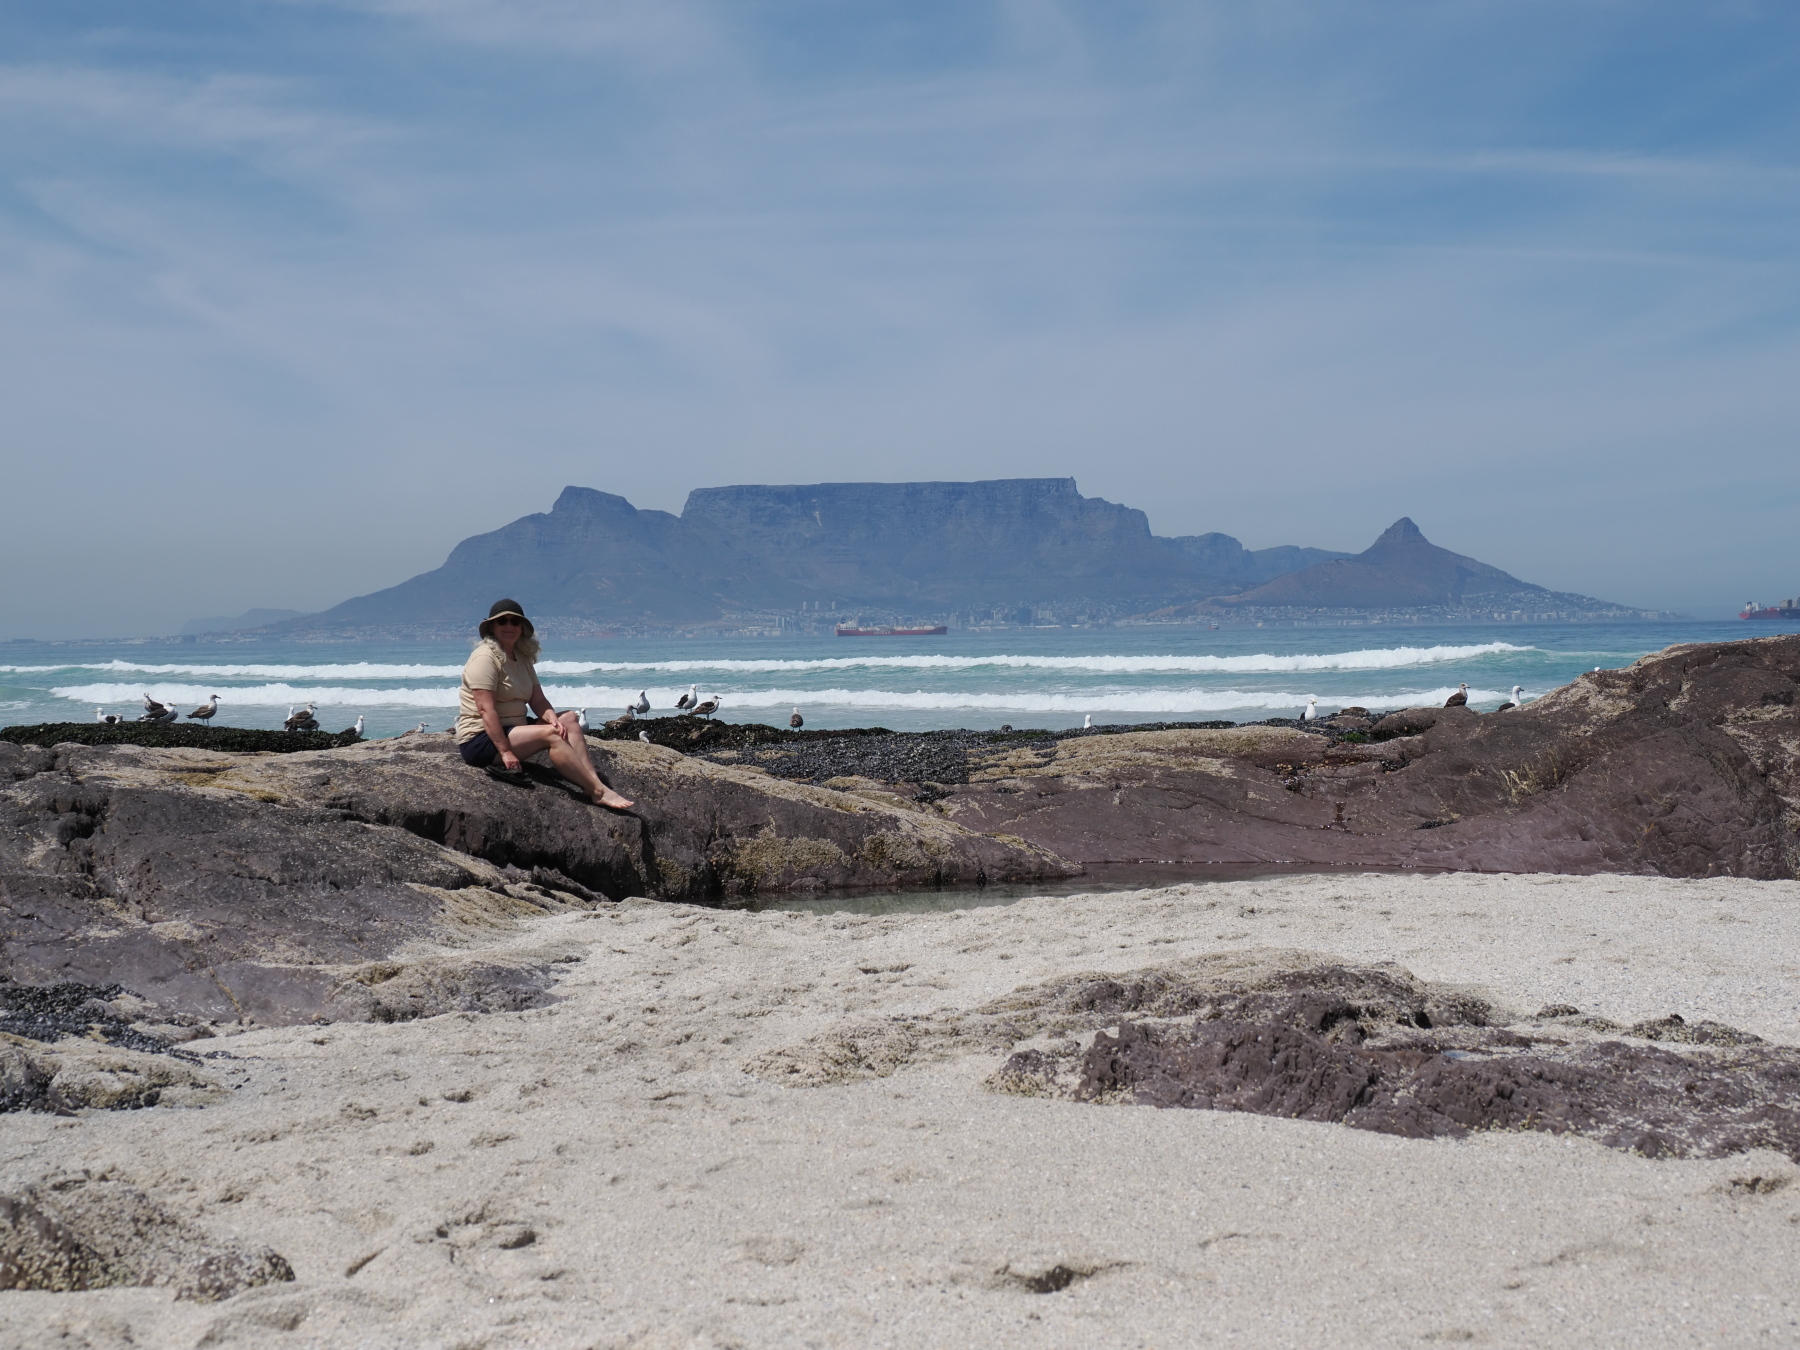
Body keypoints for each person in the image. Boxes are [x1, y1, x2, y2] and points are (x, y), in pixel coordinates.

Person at [454, 599, 634, 809]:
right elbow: (486, 709)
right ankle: (598, 792)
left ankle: (592, 782)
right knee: (553, 734)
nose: (509, 626)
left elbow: (538, 699)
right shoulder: (485, 658)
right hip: (482, 740)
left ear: (522, 628)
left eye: (514, 621)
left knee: (568, 719)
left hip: (514, 728)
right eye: (502, 621)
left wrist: (551, 718)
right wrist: (505, 752)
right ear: (492, 627)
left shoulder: (521, 658)